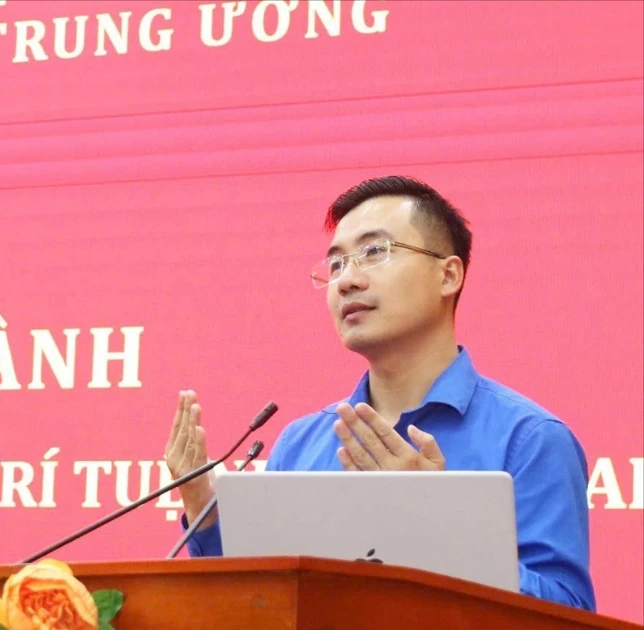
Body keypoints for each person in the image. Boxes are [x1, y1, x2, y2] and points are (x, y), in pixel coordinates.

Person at [164, 175, 596, 611]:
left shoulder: (529, 439)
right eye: (335, 265)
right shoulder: (301, 444)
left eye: (374, 252)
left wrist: (438, 530)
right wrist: (207, 513)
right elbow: (263, 601)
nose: (346, 281)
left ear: (448, 275)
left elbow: (567, 613)